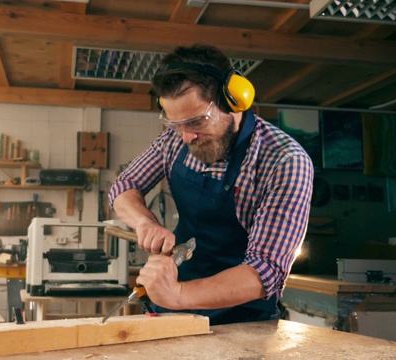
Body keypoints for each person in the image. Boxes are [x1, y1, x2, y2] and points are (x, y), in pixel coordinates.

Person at [108, 44, 314, 325]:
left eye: (196, 121)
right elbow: (124, 186)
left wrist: (179, 294)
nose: (186, 137)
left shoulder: (284, 161)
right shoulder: (174, 139)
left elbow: (265, 270)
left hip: (242, 318)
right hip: (171, 305)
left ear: (233, 100)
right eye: (175, 124)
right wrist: (144, 222)